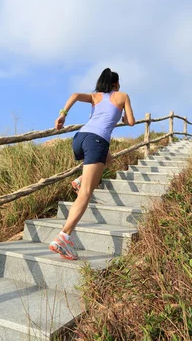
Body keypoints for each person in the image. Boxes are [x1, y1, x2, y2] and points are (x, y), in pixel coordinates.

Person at [49, 68, 136, 260]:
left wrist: (63, 114)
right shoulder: (122, 96)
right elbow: (131, 122)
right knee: (86, 194)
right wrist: (122, 115)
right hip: (97, 141)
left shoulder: (96, 96)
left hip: (80, 138)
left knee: (108, 158)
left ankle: (81, 179)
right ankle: (64, 237)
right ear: (116, 84)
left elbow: (74, 95)